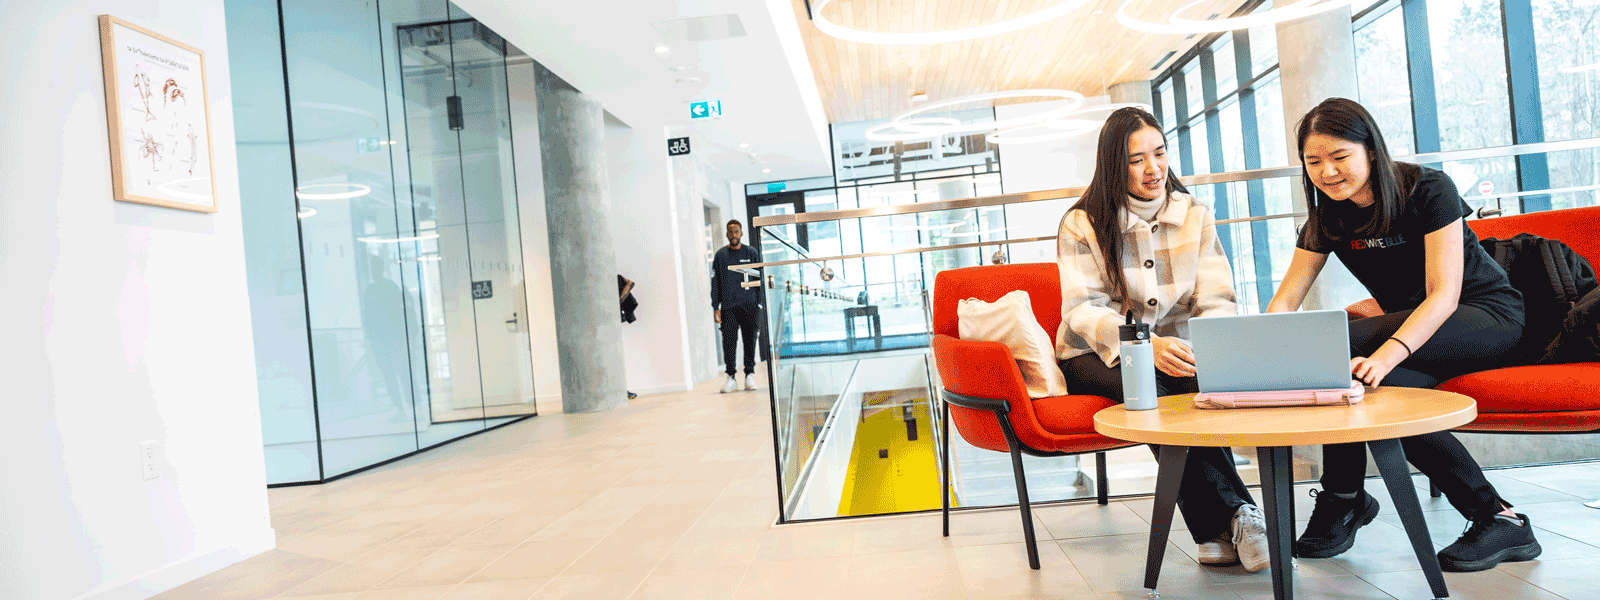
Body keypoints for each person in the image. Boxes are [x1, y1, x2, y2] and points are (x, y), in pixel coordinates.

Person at [1266, 97, 1541, 572]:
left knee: (1338, 343)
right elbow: (1285, 301)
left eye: (1339, 157)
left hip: (1486, 316)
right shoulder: (1327, 216)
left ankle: (1340, 498)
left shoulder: (1428, 188)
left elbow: (1443, 294)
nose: (1327, 172)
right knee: (1382, 395)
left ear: (1370, 149)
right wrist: (1261, 349)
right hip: (1419, 334)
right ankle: (1497, 518)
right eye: (1314, 161)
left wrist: (1387, 353)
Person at [1055, 106, 1271, 572]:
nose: (1153, 169)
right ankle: (1240, 513)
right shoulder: (1082, 222)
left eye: (1160, 153)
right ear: (1115, 164)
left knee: (1195, 387)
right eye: (1137, 159)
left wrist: (1211, 347)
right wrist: (1142, 343)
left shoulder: (1194, 214)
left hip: (1178, 349)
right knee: (1155, 388)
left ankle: (1216, 531)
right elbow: (1081, 310)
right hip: (1096, 352)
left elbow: (1216, 296)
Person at [712, 219, 761, 393]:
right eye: (730, 232)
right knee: (729, 343)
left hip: (749, 305)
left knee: (749, 340)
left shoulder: (752, 252)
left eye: (736, 231)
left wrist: (760, 304)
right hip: (728, 307)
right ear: (726, 234)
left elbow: (759, 279)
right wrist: (715, 306)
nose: (733, 235)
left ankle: (749, 375)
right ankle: (731, 377)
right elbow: (715, 283)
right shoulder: (720, 256)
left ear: (741, 233)